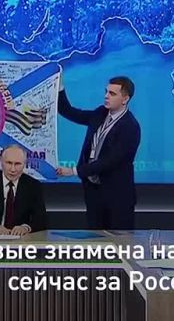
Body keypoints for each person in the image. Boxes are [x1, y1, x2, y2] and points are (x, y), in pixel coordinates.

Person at [56, 73, 141, 230]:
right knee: (94, 239)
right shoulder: (100, 113)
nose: (106, 96)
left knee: (118, 241)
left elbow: (110, 161)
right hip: (94, 193)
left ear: (125, 99)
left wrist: (74, 171)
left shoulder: (130, 126)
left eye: (112, 93)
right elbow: (68, 111)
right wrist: (59, 85)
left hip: (117, 198)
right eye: (106, 92)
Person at [0, 145, 48, 235]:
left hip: (22, 239)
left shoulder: (34, 186)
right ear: (1, 161)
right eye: (9, 163)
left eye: (18, 164)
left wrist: (25, 228)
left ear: (24, 164)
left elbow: (41, 219)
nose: (13, 169)